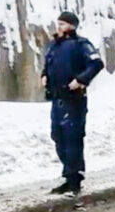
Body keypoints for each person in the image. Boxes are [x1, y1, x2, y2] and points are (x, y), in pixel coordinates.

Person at [42, 11, 104, 195]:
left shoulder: (81, 44)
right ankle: (68, 176)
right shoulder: (54, 46)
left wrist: (81, 80)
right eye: (58, 23)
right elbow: (48, 65)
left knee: (72, 138)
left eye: (63, 24)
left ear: (72, 26)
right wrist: (44, 75)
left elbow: (96, 63)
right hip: (57, 97)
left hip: (74, 99)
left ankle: (75, 180)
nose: (58, 27)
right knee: (58, 136)